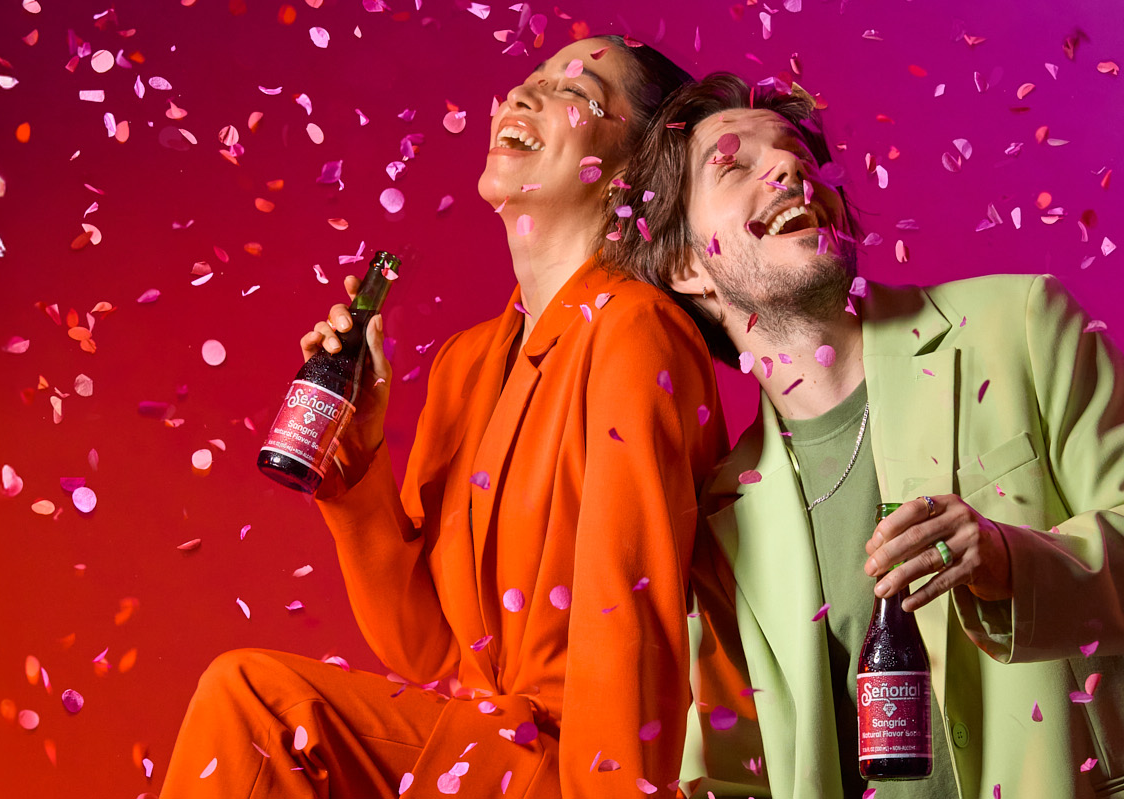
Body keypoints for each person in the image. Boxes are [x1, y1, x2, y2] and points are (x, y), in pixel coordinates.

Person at [607, 73, 1124, 799]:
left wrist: (1011, 560)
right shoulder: (723, 512)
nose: (790, 168)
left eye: (796, 153)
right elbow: (732, 767)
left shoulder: (1021, 324)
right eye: (733, 164)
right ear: (684, 265)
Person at [161, 37, 728, 799]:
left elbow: (636, 627)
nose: (521, 97)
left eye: (577, 89)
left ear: (634, 165)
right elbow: (425, 644)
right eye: (525, 79)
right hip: (477, 755)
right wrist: (356, 470)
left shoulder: (636, 332)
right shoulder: (467, 362)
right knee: (255, 710)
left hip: (573, 769)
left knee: (253, 698)